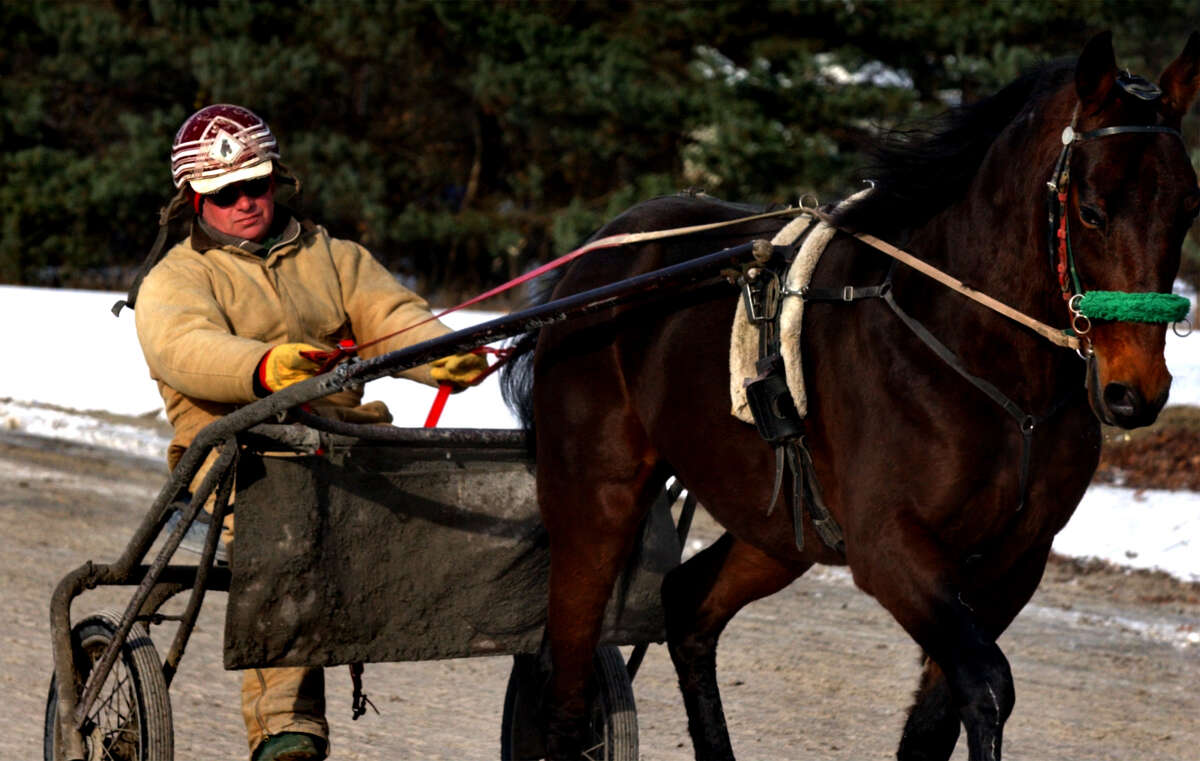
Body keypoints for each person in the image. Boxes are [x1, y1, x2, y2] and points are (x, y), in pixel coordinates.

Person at [129, 104, 488, 761]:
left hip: (347, 446)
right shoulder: (176, 278)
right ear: (192, 199)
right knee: (288, 532)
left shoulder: (334, 256)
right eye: (225, 193)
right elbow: (184, 347)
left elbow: (393, 315)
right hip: (239, 460)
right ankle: (284, 729)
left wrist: (443, 353)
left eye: (256, 185)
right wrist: (262, 368)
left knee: (485, 503)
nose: (246, 202)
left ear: (278, 179)